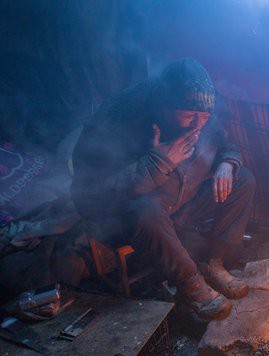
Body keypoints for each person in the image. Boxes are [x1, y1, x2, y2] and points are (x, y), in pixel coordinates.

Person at [71, 59, 254, 322]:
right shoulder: (118, 121)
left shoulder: (201, 115)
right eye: (189, 116)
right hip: (129, 221)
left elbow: (225, 145)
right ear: (164, 107)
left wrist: (228, 162)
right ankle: (191, 285)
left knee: (243, 179)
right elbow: (87, 195)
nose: (197, 125)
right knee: (146, 207)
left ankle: (215, 264)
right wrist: (157, 163)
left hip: (181, 205)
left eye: (203, 117)